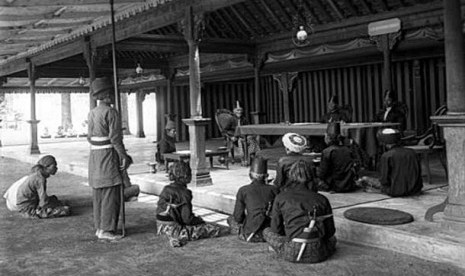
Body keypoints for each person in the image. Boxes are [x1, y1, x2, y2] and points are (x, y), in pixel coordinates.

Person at [263, 160, 337, 263]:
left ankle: (280, 248)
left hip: (291, 252)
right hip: (318, 253)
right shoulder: (322, 199)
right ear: (312, 176)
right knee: (333, 239)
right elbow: (330, 232)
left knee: (266, 231)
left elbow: (276, 229)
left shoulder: (281, 197)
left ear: (291, 176)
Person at [87, 77, 131, 241]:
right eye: (111, 93)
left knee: (98, 193)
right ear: (105, 95)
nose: (113, 96)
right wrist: (123, 156)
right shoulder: (111, 112)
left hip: (95, 157)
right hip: (108, 156)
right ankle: (107, 230)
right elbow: (115, 139)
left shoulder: (92, 113)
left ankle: (100, 228)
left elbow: (90, 137)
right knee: (111, 194)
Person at [156, 161, 229, 247]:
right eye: (190, 173)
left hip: (161, 228)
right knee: (214, 229)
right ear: (185, 176)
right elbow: (187, 219)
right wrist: (199, 221)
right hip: (176, 231)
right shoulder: (185, 193)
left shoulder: (166, 188)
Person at [227, 157, 278, 242]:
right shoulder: (274, 190)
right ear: (266, 176)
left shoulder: (243, 190)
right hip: (270, 229)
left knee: (230, 218)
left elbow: (238, 216)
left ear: (250, 175)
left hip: (250, 231)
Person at [359, 128, 423, 197]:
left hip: (396, 191)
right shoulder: (412, 152)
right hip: (416, 189)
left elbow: (384, 180)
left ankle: (378, 190)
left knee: (364, 179)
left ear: (384, 142)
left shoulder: (387, 156)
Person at [3, 155, 71, 219]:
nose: (56, 168)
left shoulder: (37, 174)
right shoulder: (40, 179)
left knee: (54, 200)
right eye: (54, 166)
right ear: (47, 167)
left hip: (25, 202)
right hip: (27, 209)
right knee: (65, 210)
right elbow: (43, 203)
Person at [317, 122, 358, 193]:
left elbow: (322, 174)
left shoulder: (327, 151)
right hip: (348, 185)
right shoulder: (348, 149)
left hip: (334, 186)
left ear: (327, 138)